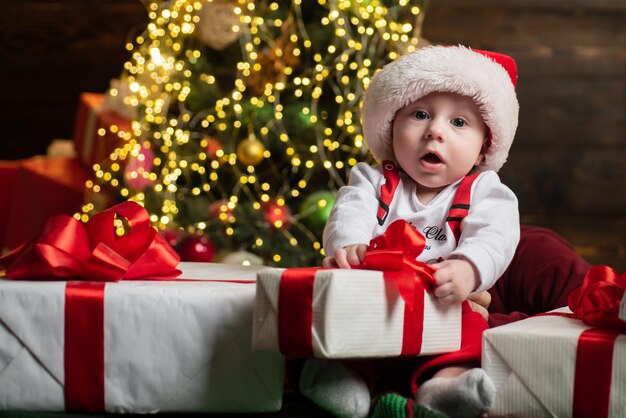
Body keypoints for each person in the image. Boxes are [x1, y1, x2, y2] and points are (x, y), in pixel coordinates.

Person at [298, 45, 521, 418]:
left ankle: (444, 385)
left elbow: (496, 235)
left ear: (484, 147)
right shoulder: (373, 180)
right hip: (373, 304)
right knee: (329, 320)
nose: (435, 131)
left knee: (468, 332)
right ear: (391, 126)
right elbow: (349, 209)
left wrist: (468, 268)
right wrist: (349, 244)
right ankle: (344, 378)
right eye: (420, 115)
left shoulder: (483, 190)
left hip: (440, 305)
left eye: (459, 123)